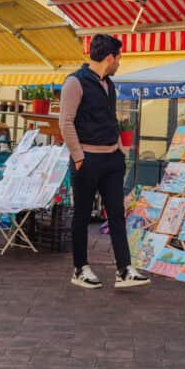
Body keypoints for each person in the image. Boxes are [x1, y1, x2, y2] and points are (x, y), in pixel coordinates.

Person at [59, 34, 150, 290]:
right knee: (82, 216)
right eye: (119, 58)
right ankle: (80, 268)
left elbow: (110, 120)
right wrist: (79, 158)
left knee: (117, 215)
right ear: (109, 58)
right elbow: (65, 123)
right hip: (87, 159)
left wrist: (120, 151)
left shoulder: (109, 84)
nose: (120, 63)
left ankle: (124, 270)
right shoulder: (75, 83)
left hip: (111, 159)